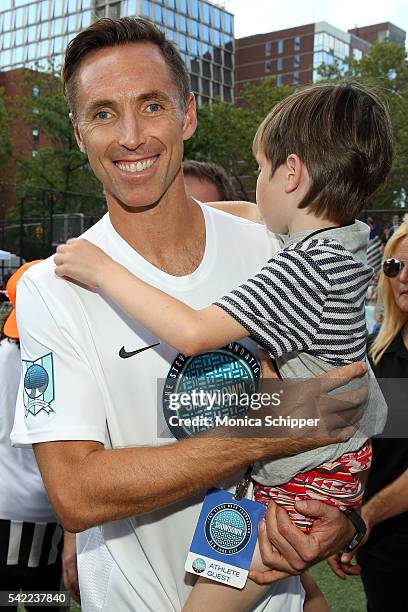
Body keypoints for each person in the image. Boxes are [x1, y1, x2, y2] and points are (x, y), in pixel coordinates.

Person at [12, 18, 368, 612]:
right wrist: (275, 426)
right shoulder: (56, 285)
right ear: (77, 132)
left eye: (151, 105)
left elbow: (350, 397)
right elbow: (75, 492)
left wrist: (345, 521)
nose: (130, 136)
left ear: (189, 115)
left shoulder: (271, 250)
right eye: (103, 113)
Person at [328, 216, 408, 612]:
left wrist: (360, 519)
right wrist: (342, 519)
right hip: (381, 551)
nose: (404, 277)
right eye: (395, 267)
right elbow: (365, 445)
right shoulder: (376, 353)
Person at [0, 262, 64, 612]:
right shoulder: (52, 366)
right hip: (42, 505)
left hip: (9, 503)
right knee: (43, 598)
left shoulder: (5, 356)